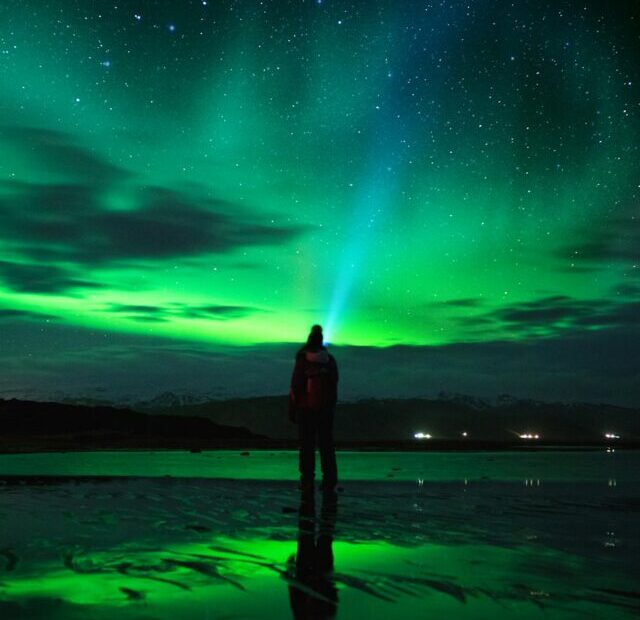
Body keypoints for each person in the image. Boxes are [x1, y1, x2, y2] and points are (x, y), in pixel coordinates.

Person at [289, 324, 338, 493]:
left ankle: (307, 481)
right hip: (325, 409)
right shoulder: (329, 360)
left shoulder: (302, 358)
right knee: (326, 445)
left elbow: (296, 384)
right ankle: (329, 481)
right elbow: (334, 383)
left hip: (305, 408)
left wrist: (293, 407)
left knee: (306, 445)